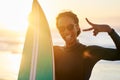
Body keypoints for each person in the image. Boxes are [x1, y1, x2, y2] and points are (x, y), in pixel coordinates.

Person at [53, 11, 120, 80]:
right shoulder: (54, 52)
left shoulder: (89, 52)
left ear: (77, 27)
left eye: (70, 27)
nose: (66, 31)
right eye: (61, 28)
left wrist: (109, 30)